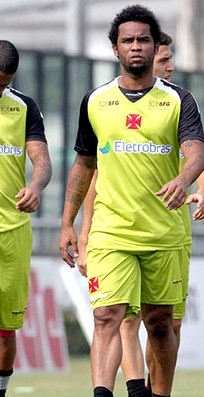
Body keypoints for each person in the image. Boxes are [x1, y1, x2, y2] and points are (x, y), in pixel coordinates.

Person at [59, 4, 204, 397]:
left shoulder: (179, 100)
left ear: (155, 44)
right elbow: (83, 164)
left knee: (160, 324)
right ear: (115, 48)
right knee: (107, 316)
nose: (136, 46)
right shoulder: (95, 100)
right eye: (128, 40)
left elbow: (196, 153)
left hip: (164, 233)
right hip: (113, 232)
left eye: (144, 39)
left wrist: (183, 179)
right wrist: (67, 223)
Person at [0, 40, 52, 397]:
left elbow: (42, 161)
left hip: (12, 232)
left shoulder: (24, 107)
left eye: (4, 83)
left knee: (5, 329)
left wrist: (35, 185)